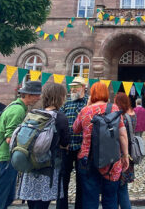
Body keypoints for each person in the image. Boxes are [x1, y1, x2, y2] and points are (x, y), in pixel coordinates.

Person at [0, 81, 42, 209]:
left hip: (6, 160)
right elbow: (10, 138)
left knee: (7, 198)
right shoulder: (17, 110)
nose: (39, 98)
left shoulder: (16, 106)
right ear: (28, 95)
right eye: (36, 95)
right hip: (5, 159)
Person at [73, 82, 129, 209]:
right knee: (110, 198)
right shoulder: (114, 108)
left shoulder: (85, 111)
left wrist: (86, 107)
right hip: (111, 158)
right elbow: (122, 134)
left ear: (92, 94)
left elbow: (75, 129)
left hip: (88, 158)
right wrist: (125, 155)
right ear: (106, 93)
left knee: (89, 198)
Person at [17, 83, 69, 209]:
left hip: (30, 164)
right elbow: (65, 142)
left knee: (32, 202)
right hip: (47, 166)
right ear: (60, 98)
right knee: (42, 204)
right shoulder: (60, 117)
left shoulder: (34, 113)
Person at [58, 76, 88, 209]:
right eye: (72, 87)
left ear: (83, 88)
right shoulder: (66, 103)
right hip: (66, 147)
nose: (73, 89)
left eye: (76, 87)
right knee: (63, 179)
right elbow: (58, 121)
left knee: (82, 180)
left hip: (82, 148)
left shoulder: (88, 103)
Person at [114, 93, 136, 209]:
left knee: (120, 188)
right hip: (129, 154)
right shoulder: (133, 114)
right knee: (122, 187)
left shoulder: (121, 118)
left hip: (122, 155)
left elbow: (121, 135)